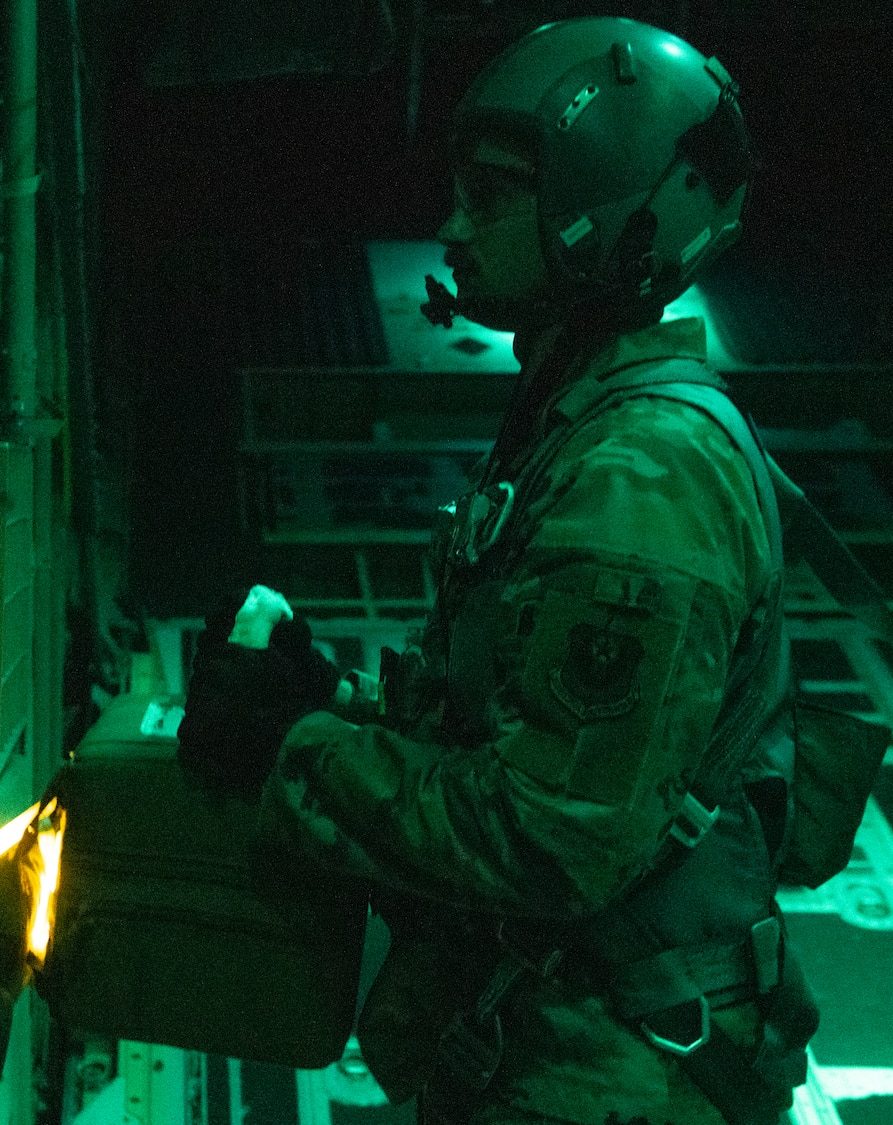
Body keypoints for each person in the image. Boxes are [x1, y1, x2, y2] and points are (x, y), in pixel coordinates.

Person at [177, 17, 820, 1125]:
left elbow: (550, 837)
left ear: (611, 219)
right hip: (551, 1046)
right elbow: (520, 717)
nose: (450, 227)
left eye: (490, 196)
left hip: (603, 1075)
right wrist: (332, 696)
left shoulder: (638, 487)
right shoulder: (576, 415)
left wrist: (298, 754)